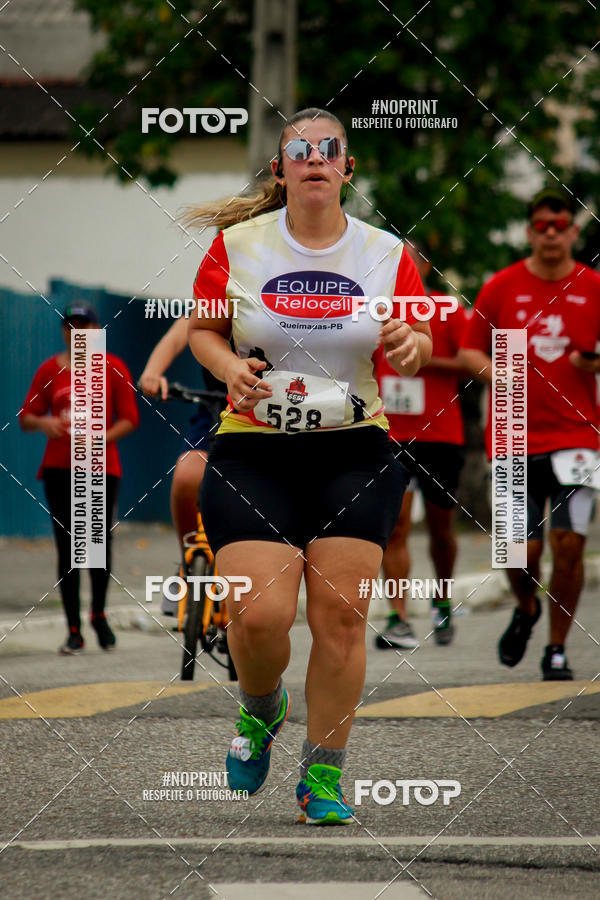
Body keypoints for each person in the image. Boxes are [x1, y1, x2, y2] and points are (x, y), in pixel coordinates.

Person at [187, 107, 432, 824]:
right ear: (282, 169)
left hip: (354, 448)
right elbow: (202, 331)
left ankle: (322, 775)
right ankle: (262, 706)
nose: (316, 159)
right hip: (253, 448)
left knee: (343, 616)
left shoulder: (385, 253)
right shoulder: (236, 245)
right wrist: (230, 365)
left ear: (347, 168)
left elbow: (411, 342)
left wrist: (410, 347)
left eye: (331, 150)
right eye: (302, 150)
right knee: (258, 616)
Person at [459, 187, 600, 680]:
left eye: (559, 227)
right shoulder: (502, 287)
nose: (550, 235)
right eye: (541, 226)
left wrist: (592, 360)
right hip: (514, 437)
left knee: (568, 546)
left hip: (578, 437)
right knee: (519, 554)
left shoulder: (593, 286)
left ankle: (557, 648)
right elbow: (469, 353)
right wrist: (500, 373)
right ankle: (526, 607)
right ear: (529, 231)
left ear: (573, 232)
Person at [20, 303, 139, 654]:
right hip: (59, 467)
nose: (77, 333)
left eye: (84, 326)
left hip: (100, 467)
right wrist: (45, 423)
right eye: (71, 326)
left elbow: (130, 418)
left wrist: (102, 437)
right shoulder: (50, 370)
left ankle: (99, 615)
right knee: (68, 546)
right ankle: (73, 628)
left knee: (96, 544)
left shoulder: (113, 367)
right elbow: (27, 415)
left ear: (97, 330)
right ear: (64, 332)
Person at [374, 243, 469, 649]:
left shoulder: (445, 308)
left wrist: (420, 355)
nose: (402, 264)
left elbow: (470, 362)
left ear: (426, 265)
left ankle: (442, 600)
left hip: (440, 433)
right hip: (388, 431)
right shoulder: (372, 306)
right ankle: (398, 617)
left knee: (440, 527)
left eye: (410, 256)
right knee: (394, 525)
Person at [139, 316, 225, 549]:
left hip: (266, 411)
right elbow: (176, 336)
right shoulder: (215, 300)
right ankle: (191, 555)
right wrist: (152, 372)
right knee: (186, 477)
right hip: (216, 408)